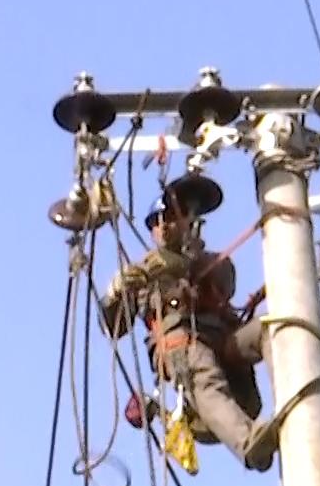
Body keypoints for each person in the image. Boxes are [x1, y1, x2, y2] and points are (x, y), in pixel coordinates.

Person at [100, 197, 277, 471]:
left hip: (223, 340)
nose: (164, 227)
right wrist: (115, 292)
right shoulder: (143, 272)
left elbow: (226, 280)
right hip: (180, 343)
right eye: (157, 223)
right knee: (202, 374)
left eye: (171, 218)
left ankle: (292, 397)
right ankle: (249, 443)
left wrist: (188, 259)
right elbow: (113, 328)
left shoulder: (211, 261)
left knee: (271, 328)